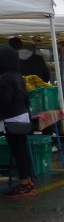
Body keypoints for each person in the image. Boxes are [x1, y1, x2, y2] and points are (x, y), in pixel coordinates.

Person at [0, 46, 36, 198]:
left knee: (18, 151)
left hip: (11, 119)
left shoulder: (5, 78)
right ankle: (27, 181)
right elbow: (26, 98)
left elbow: (4, 101)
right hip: (22, 117)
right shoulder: (17, 75)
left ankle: (23, 184)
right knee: (22, 150)